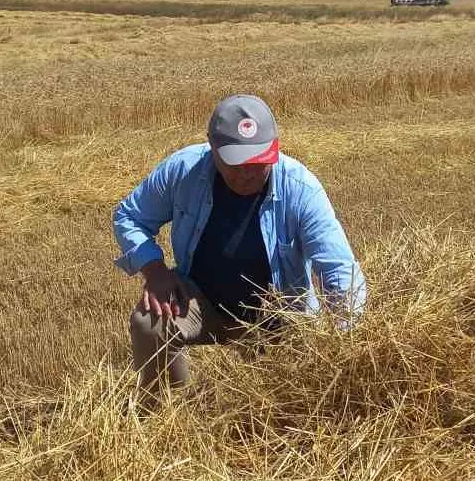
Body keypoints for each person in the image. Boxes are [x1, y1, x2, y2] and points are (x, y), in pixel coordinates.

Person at [114, 93, 366, 397]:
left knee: (282, 407)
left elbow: (339, 269)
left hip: (278, 315)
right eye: (237, 163)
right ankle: (167, 416)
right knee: (149, 323)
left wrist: (346, 342)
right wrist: (155, 271)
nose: (248, 173)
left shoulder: (301, 188)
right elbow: (129, 216)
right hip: (202, 300)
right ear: (213, 149)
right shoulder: (184, 170)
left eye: (259, 162)